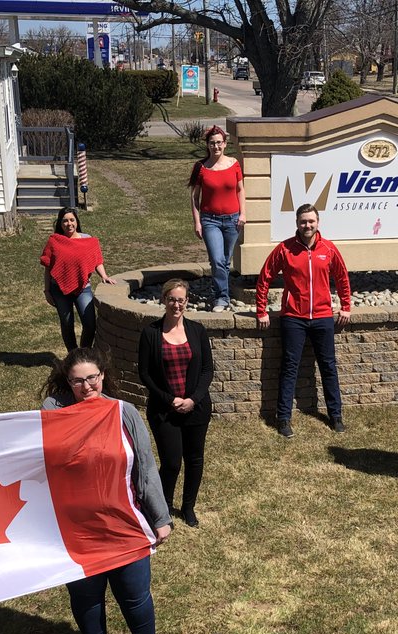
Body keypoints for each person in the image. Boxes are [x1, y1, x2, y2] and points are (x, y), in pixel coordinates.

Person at [40, 348, 182, 634]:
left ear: (103, 376)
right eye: (78, 380)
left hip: (124, 523)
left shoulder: (123, 412)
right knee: (86, 596)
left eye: (92, 378)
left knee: (136, 595)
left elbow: (146, 468)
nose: (87, 386)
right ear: (67, 381)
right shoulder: (53, 413)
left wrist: (161, 518)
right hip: (76, 528)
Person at [256, 204, 352, 438]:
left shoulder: (328, 249)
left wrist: (346, 306)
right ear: (297, 224)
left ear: (318, 222)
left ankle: (336, 415)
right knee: (289, 368)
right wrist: (261, 310)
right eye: (303, 222)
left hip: (322, 317)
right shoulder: (285, 249)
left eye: (311, 221)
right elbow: (264, 277)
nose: (307, 225)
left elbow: (342, 277)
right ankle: (283, 418)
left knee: (328, 366)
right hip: (293, 318)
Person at [137, 279, 214, 527]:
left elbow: (206, 370)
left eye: (181, 300)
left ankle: (188, 507)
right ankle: (164, 508)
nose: (176, 304)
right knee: (171, 463)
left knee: (194, 460)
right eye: (171, 299)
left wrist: (193, 399)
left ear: (187, 302)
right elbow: (145, 374)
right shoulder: (151, 333)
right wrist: (170, 399)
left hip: (196, 408)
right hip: (164, 411)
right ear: (163, 300)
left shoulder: (197, 330)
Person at [40, 207, 114, 351]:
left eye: (72, 220)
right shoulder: (54, 241)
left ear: (77, 222)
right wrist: (47, 291)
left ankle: (84, 352)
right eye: (65, 221)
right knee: (67, 324)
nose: (69, 224)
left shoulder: (87, 239)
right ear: (60, 223)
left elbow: (97, 260)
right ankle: (73, 355)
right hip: (59, 290)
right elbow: (48, 267)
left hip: (83, 289)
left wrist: (104, 276)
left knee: (90, 324)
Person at [189, 125, 246, 312]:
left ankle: (220, 290)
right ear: (207, 145)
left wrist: (243, 214)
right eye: (212, 143)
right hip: (210, 220)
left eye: (219, 143)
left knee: (225, 260)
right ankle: (222, 298)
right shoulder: (202, 167)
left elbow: (240, 190)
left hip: (232, 220)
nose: (216, 147)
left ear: (225, 144)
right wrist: (197, 221)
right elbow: (194, 197)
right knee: (217, 259)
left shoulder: (234, 164)